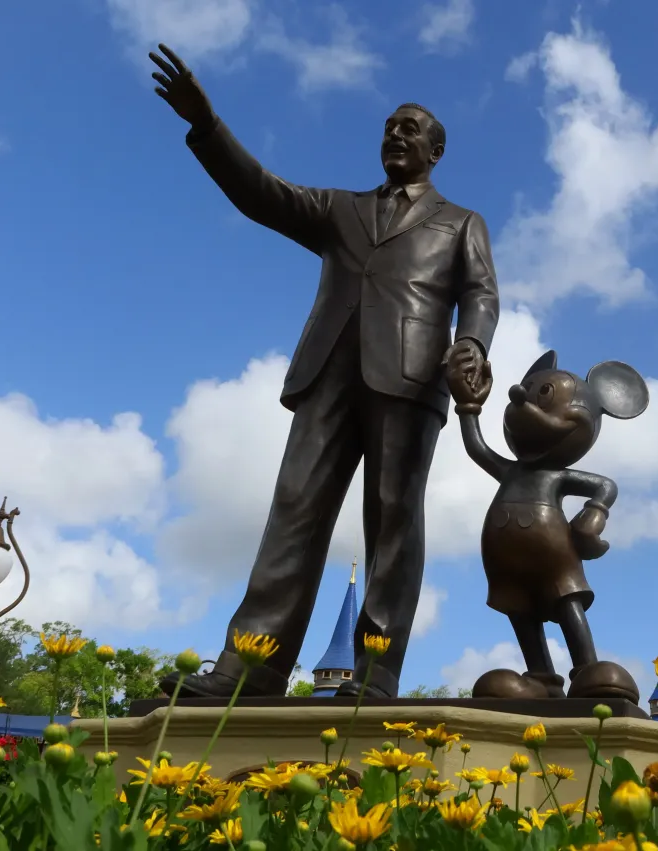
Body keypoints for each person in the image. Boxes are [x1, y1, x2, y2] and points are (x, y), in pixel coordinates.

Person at [148, 44, 499, 698]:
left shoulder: (460, 222)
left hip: (412, 376)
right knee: (294, 512)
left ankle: (374, 672)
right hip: (327, 374)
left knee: (393, 523)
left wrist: (473, 345)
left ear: (436, 152)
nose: (396, 135)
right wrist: (207, 124)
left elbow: (481, 293)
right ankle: (250, 667)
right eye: (389, 126)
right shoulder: (340, 208)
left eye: (411, 129)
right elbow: (262, 193)